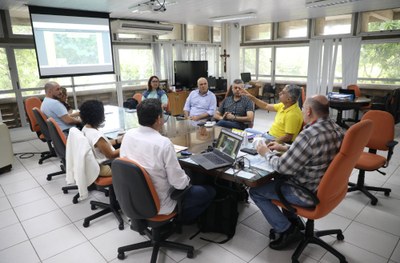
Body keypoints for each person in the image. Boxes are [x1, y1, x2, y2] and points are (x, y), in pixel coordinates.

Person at [249, 95, 344, 250]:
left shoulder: (309, 135)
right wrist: (286, 148)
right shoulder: (336, 128)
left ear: (308, 111)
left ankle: (286, 230)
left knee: (256, 191)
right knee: (277, 181)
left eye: (302, 108)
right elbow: (316, 152)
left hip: (305, 192)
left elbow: (282, 167)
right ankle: (294, 220)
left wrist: (265, 151)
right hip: (324, 187)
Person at [120, 98, 215, 222]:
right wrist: (189, 179)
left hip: (134, 197)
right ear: (159, 119)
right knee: (209, 191)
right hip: (161, 203)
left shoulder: (128, 135)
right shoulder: (163, 143)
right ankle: (181, 221)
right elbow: (179, 184)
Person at [79, 100, 122, 176]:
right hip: (106, 166)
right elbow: (111, 155)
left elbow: (100, 145)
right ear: (98, 115)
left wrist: (117, 140)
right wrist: (127, 146)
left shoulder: (86, 128)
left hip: (97, 164)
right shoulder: (96, 135)